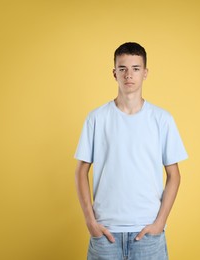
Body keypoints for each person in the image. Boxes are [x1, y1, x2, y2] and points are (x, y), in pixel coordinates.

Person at [74, 42, 188, 260]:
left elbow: (174, 175)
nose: (129, 75)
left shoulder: (162, 119)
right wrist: (91, 222)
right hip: (106, 234)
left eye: (136, 68)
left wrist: (160, 223)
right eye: (123, 68)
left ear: (145, 73)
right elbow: (81, 171)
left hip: (147, 234)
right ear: (114, 73)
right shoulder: (96, 118)